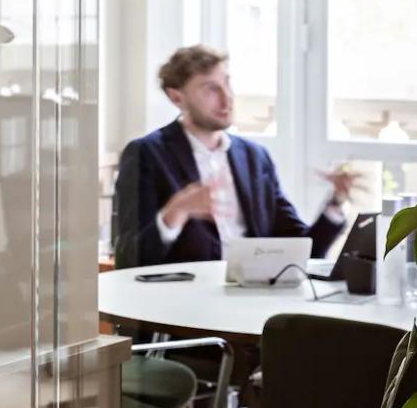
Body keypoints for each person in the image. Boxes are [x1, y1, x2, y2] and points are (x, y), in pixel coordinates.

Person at [113, 45, 356, 268]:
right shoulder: (146, 154)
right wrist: (176, 212)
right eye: (211, 89)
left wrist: (335, 203)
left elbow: (302, 250)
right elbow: (127, 259)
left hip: (254, 294)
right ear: (177, 97)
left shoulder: (255, 158)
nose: (226, 97)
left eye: (227, 83)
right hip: (187, 297)